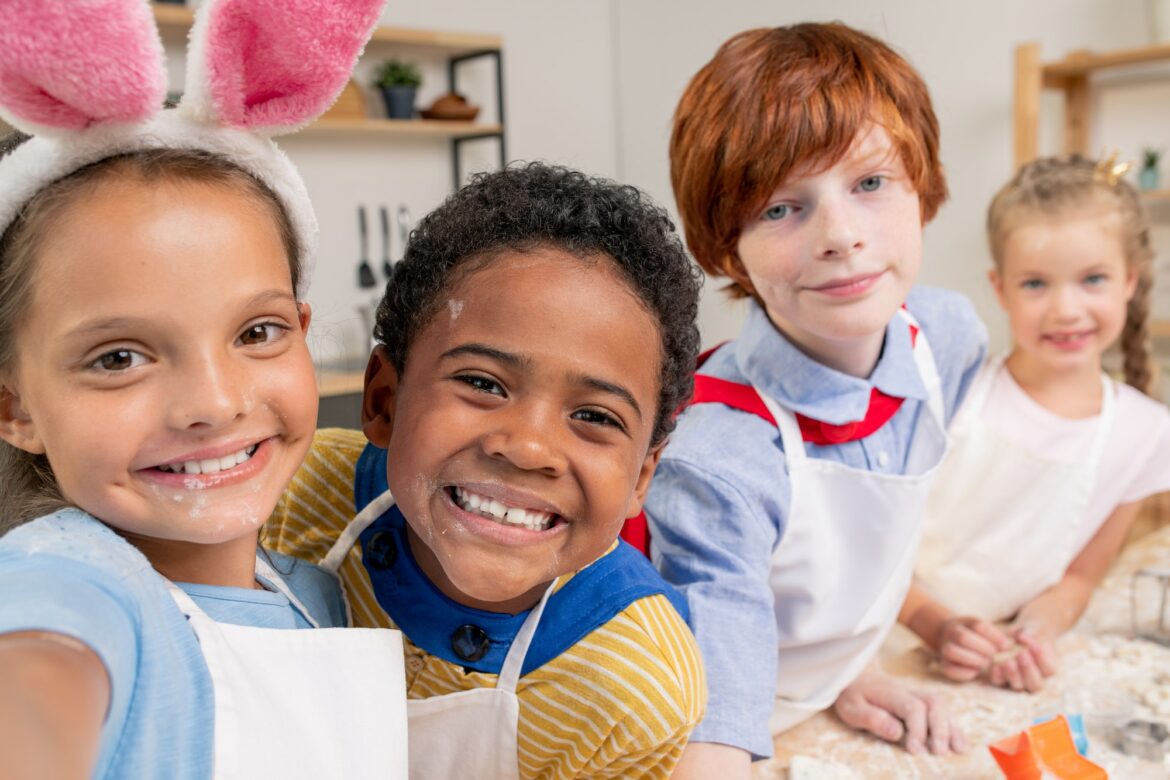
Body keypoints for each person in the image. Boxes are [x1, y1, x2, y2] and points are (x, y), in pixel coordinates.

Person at [0, 1, 407, 778]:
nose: (215, 404)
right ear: (14, 407)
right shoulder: (70, 584)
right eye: (119, 358)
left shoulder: (316, 595)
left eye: (257, 333)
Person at [263, 162, 708, 779]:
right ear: (383, 402)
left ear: (640, 478)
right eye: (482, 383)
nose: (527, 447)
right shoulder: (287, 491)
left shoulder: (637, 681)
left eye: (594, 416)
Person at [644, 23, 988, 775]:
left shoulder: (949, 340)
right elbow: (715, 696)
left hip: (821, 698)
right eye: (780, 208)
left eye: (870, 183)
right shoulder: (721, 452)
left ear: (923, 188)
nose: (840, 236)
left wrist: (851, 671)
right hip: (702, 730)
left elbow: (856, 554)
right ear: (725, 247)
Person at [903, 154, 1170, 693]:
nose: (1066, 309)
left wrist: (1031, 634)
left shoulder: (1146, 435)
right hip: (889, 641)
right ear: (999, 289)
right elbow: (870, 551)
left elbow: (1076, 580)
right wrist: (935, 624)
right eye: (1035, 284)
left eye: (1092, 279)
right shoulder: (954, 392)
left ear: (1130, 282)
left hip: (992, 667)